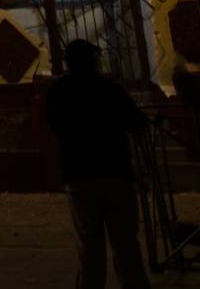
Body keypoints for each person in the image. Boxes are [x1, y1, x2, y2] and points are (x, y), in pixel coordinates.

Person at [44, 39, 151, 289]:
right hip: (116, 173)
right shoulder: (109, 89)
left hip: (79, 176)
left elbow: (55, 126)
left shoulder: (59, 92)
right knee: (126, 245)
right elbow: (135, 122)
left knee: (90, 246)